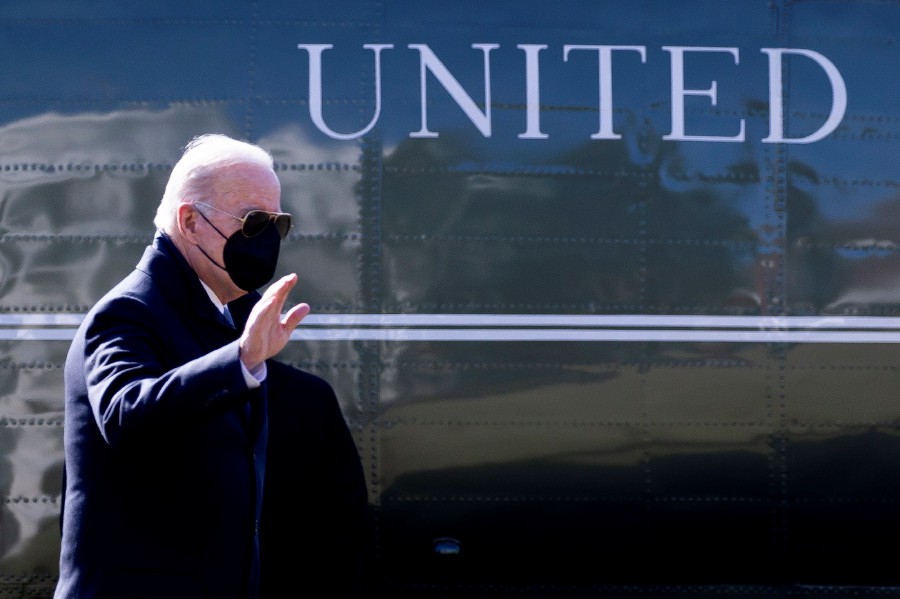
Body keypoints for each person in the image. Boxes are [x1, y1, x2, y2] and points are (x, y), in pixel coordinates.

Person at [54, 134, 368, 599]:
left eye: (277, 225)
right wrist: (241, 360)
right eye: (253, 221)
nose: (265, 239)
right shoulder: (127, 311)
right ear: (190, 221)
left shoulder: (229, 316)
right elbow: (125, 413)